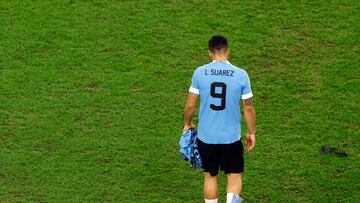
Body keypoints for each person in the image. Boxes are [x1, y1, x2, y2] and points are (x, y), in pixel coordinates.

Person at [183, 35, 256, 203]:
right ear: (228, 51)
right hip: (231, 137)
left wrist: (187, 124)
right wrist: (252, 132)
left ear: (210, 53)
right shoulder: (241, 75)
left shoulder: (199, 73)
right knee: (234, 175)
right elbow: (248, 107)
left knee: (210, 176)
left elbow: (190, 105)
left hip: (206, 137)